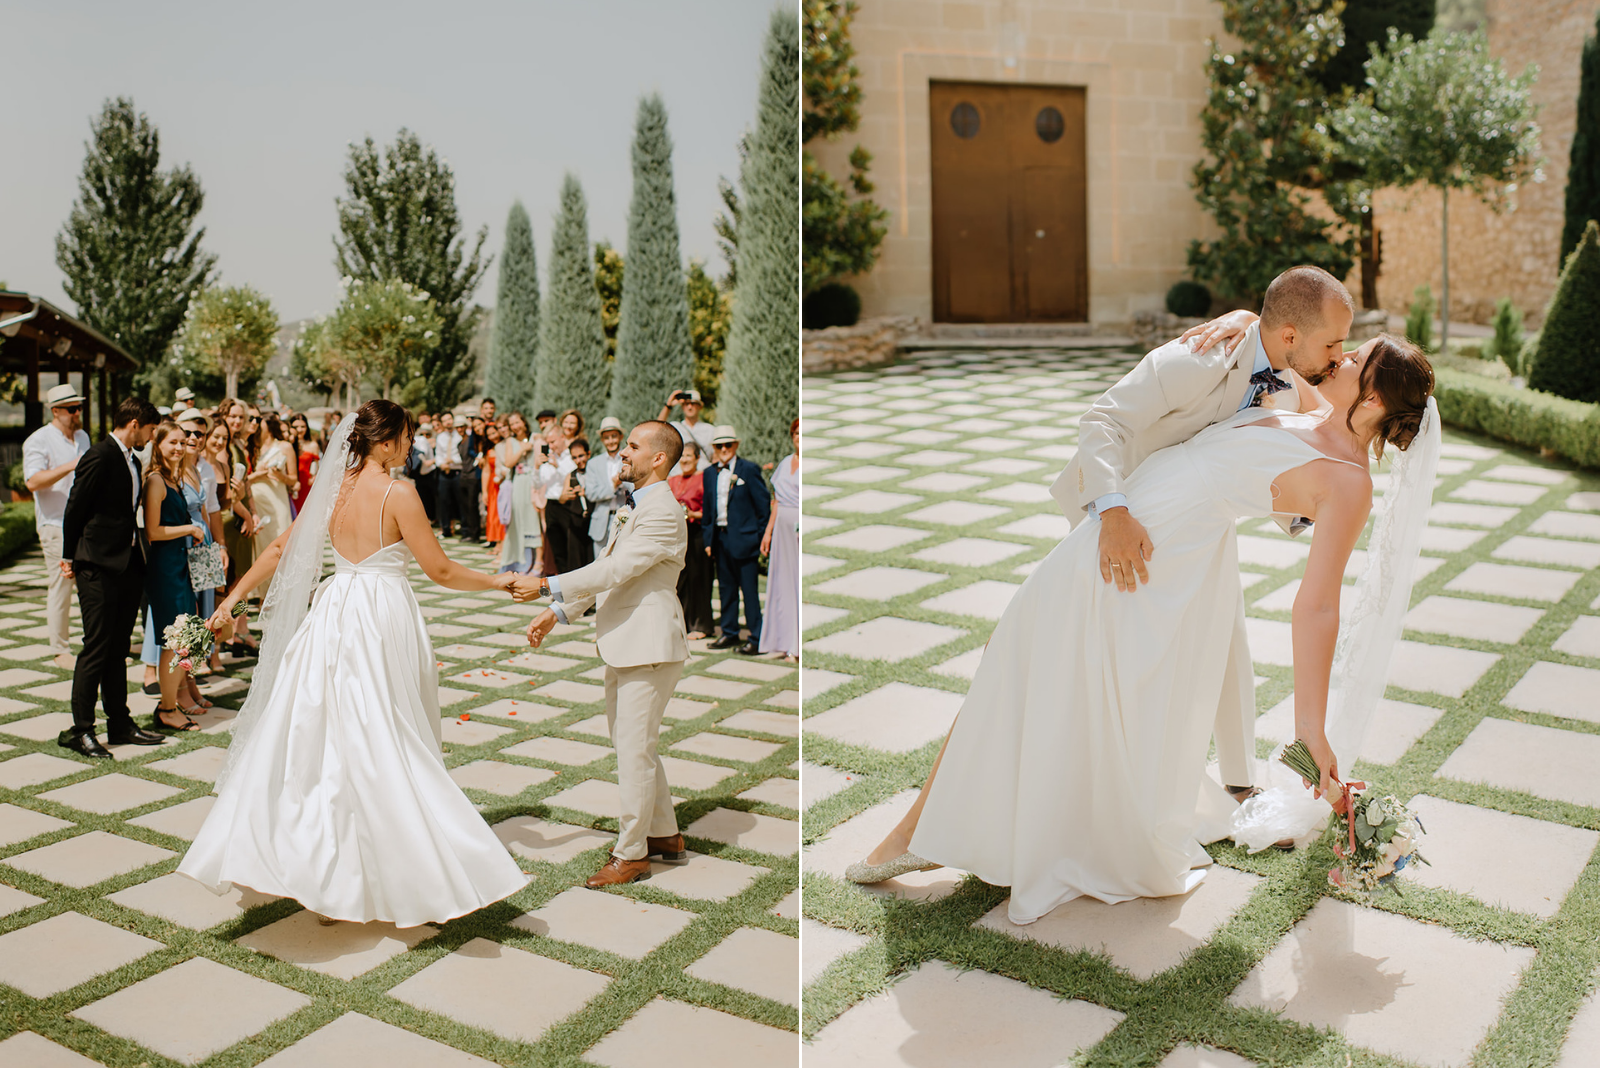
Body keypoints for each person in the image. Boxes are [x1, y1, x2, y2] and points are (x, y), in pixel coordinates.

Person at [847, 334, 1438, 924]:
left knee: (1021, 661)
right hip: (1118, 530)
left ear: (1378, 399)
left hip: (1145, 563)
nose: (1341, 356)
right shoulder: (1313, 405)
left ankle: (917, 834)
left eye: (1356, 358)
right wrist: (1241, 316)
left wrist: (1310, 727)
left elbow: (1317, 606)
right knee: (1028, 664)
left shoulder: (1347, 481)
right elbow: (1279, 339)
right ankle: (971, 828)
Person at [179, 401, 530, 926]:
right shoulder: (399, 492)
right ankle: (404, 870)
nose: (410, 445)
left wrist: (231, 601)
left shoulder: (334, 488)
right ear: (384, 442)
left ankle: (330, 875)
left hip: (336, 609)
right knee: (387, 734)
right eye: (406, 436)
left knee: (327, 738)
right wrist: (498, 580)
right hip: (382, 615)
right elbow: (440, 570)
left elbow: (278, 549)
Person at [514, 421, 690, 888]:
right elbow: (613, 569)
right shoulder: (635, 504)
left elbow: (617, 567)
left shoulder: (663, 511)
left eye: (633, 446)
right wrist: (559, 612)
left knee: (633, 750)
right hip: (629, 639)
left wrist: (548, 583)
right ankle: (664, 835)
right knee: (635, 745)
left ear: (658, 459)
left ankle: (631, 854)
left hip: (649, 641)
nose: (624, 453)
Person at [57, 398, 166, 759]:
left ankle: (119, 723)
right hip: (96, 564)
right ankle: (80, 730)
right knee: (97, 646)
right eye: (150, 432)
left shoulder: (132, 460)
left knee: (118, 649)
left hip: (126, 563)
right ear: (134, 424)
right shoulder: (100, 455)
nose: (150, 440)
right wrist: (68, 556)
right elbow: (76, 506)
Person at [142, 421, 207, 732]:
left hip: (179, 566)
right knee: (175, 641)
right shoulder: (156, 481)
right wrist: (190, 528)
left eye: (184, 442)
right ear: (159, 444)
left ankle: (169, 703)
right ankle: (167, 708)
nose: (180, 448)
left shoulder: (174, 478)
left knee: (184, 639)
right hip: (164, 569)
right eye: (174, 443)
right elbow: (153, 531)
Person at [23, 383, 91, 670]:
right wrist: (72, 465)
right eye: (72, 409)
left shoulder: (84, 436)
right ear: (55, 411)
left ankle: (94, 644)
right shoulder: (37, 440)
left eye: (79, 408)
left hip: (85, 525)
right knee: (61, 586)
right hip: (55, 525)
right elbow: (33, 482)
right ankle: (60, 649)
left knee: (90, 585)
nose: (77, 413)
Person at [702, 426, 771, 655]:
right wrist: (708, 540)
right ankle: (729, 633)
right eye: (719, 445)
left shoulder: (748, 470)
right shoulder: (709, 473)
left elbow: (763, 507)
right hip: (720, 539)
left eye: (727, 445)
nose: (723, 449)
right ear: (714, 448)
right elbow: (708, 509)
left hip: (745, 539)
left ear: (736, 446)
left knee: (749, 591)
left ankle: (756, 637)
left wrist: (760, 538)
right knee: (725, 589)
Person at [758, 419, 800, 660]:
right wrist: (768, 532)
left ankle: (797, 644)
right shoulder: (786, 462)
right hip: (781, 529)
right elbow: (777, 501)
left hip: (797, 529)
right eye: (795, 433)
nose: (798, 437)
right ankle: (781, 640)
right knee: (781, 581)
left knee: (796, 582)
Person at [668, 440, 714, 639]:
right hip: (678, 535)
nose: (685, 460)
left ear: (697, 458)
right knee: (679, 581)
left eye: (689, 455)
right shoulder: (673, 480)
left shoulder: (703, 478)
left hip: (697, 534)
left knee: (699, 580)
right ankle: (682, 623)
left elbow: (710, 510)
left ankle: (701, 625)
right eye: (682, 456)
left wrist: (694, 514)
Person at [495, 413, 543, 573]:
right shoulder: (511, 441)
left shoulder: (535, 437)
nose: (515, 426)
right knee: (517, 521)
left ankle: (539, 561)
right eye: (512, 424)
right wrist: (522, 450)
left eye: (517, 422)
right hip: (518, 482)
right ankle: (520, 561)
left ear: (523, 421)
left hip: (533, 481)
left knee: (534, 519)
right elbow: (508, 462)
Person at [249, 413, 296, 571]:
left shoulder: (284, 446)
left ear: (268, 427)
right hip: (258, 501)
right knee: (261, 545)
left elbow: (294, 479)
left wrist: (279, 475)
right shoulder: (252, 447)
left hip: (278, 500)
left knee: (280, 542)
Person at [585, 416, 630, 563]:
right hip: (600, 523)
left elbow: (635, 486)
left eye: (614, 436)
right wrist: (613, 486)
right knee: (600, 563)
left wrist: (622, 483)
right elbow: (591, 493)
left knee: (621, 562)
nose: (611, 441)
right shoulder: (593, 464)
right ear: (602, 440)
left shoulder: (629, 459)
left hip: (624, 520)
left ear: (620, 437)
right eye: (607, 438)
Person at [545, 428, 590, 574]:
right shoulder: (568, 471)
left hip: (582, 515)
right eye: (575, 458)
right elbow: (563, 495)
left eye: (581, 456)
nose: (578, 460)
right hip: (555, 505)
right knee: (559, 549)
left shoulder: (592, 469)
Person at [658, 388, 715, 457]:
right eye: (686, 403)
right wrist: (668, 405)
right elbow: (658, 429)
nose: (689, 407)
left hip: (703, 467)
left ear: (700, 406)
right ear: (682, 406)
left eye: (693, 403)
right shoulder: (675, 427)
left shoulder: (710, 430)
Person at [456, 414, 485, 543]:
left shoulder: (471, 440)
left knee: (472, 505)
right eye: (457, 427)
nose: (459, 429)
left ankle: (475, 534)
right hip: (464, 475)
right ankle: (468, 532)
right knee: (465, 506)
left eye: (461, 427)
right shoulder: (460, 443)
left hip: (472, 475)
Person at [434, 411, 463, 537]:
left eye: (449, 419)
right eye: (445, 420)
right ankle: (445, 529)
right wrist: (442, 464)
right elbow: (438, 455)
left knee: (460, 501)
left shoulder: (460, 435)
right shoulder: (440, 437)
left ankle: (464, 529)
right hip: (444, 473)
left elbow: (463, 456)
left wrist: (453, 461)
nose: (448, 422)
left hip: (457, 471)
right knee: (444, 501)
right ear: (442, 423)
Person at [288, 412, 321, 515]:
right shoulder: (287, 444)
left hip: (307, 485)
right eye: (296, 426)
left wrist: (315, 477)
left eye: (303, 426)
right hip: (290, 484)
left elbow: (317, 467)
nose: (299, 430)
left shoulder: (312, 445)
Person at [483, 421, 504, 550]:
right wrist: (484, 491)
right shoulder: (489, 450)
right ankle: (496, 541)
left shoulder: (505, 446)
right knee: (493, 513)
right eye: (489, 435)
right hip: (492, 484)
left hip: (503, 482)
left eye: (494, 433)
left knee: (502, 513)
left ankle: (502, 543)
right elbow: (486, 470)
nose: (492, 437)